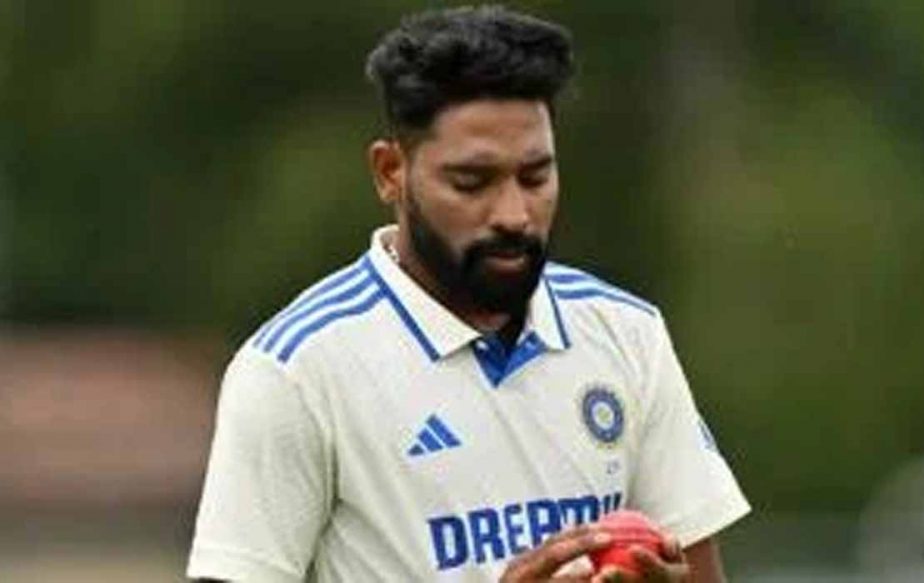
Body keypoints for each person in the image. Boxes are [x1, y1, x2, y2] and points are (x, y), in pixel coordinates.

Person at [187, 5, 749, 582]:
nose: (514, 215)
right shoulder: (295, 373)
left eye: (535, 177)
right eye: (472, 182)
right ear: (390, 172)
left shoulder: (627, 334)